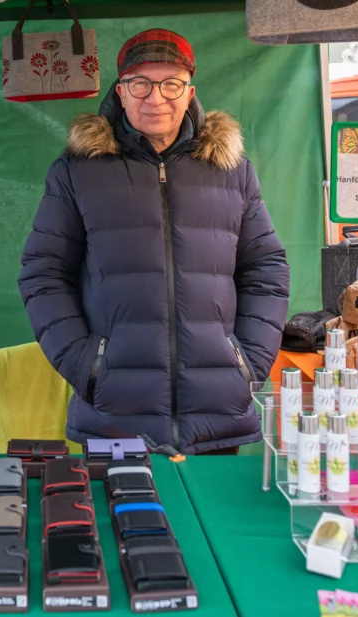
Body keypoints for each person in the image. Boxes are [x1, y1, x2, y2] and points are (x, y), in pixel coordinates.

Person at [18, 29, 290, 455]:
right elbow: (43, 273)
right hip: (114, 414)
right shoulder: (78, 171)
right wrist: (85, 365)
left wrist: (247, 363)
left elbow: (266, 268)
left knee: (206, 519)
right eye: (140, 83)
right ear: (121, 93)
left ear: (189, 93)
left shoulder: (231, 171)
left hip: (216, 413)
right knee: (125, 521)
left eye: (170, 84)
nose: (155, 98)